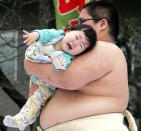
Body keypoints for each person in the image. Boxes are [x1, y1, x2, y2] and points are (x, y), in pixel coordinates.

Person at [24, 1, 138, 131]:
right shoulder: (78, 54)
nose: (76, 26)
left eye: (81, 21)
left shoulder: (107, 48)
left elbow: (67, 79)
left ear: (102, 24)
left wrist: (29, 64)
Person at [3, 24, 97, 131]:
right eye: (77, 37)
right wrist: (35, 35)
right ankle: (31, 115)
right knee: (32, 98)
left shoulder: (67, 57)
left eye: (81, 46)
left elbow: (61, 65)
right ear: (68, 31)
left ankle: (21, 120)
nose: (76, 43)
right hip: (35, 72)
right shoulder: (57, 35)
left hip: (47, 86)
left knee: (36, 98)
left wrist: (58, 65)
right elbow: (44, 33)